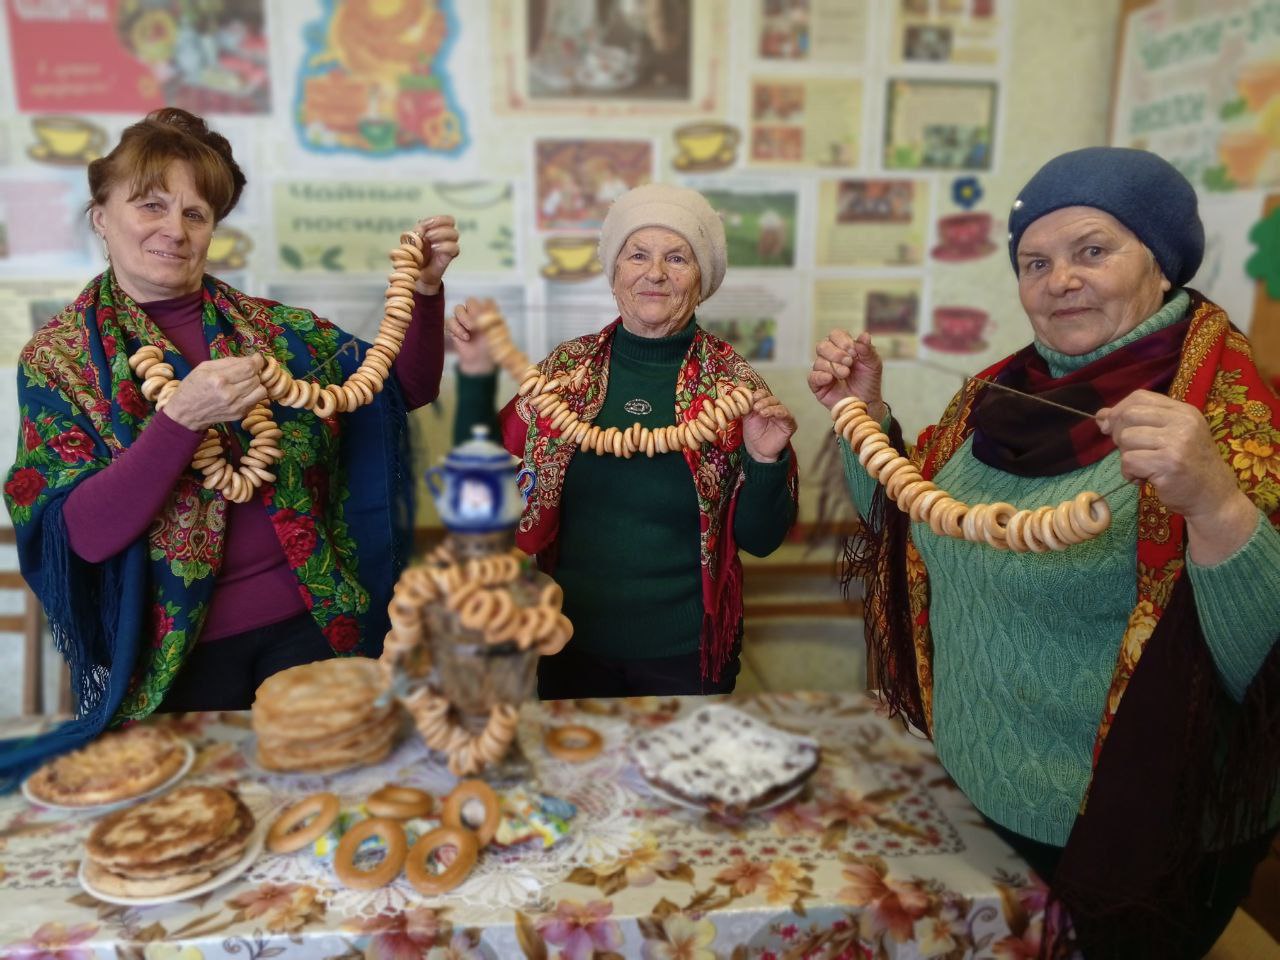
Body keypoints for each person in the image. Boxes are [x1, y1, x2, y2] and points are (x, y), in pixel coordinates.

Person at [808, 147, 1279, 959]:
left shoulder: (1227, 418)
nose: (1060, 279)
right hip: (983, 797)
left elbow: (1258, 664)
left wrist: (1216, 501)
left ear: (1161, 265)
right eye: (1036, 261)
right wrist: (865, 415)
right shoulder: (1000, 393)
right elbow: (919, 523)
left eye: (1092, 250)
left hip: (1134, 839)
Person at [1, 108, 457, 777]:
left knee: (338, 807)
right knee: (202, 826)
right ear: (101, 216)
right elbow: (79, 537)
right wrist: (179, 422)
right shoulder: (58, 360)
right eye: (150, 205)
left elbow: (401, 387)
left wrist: (424, 291)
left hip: (317, 624)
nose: (174, 230)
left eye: (196, 213)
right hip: (172, 654)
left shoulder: (273, 331)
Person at [448, 183, 799, 698]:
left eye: (676, 258)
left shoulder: (735, 386)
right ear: (615, 275)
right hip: (568, 642)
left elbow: (762, 541)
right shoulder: (566, 372)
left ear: (701, 281)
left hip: (688, 654)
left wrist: (765, 459)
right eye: (638, 255)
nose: (655, 273)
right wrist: (475, 371)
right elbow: (477, 484)